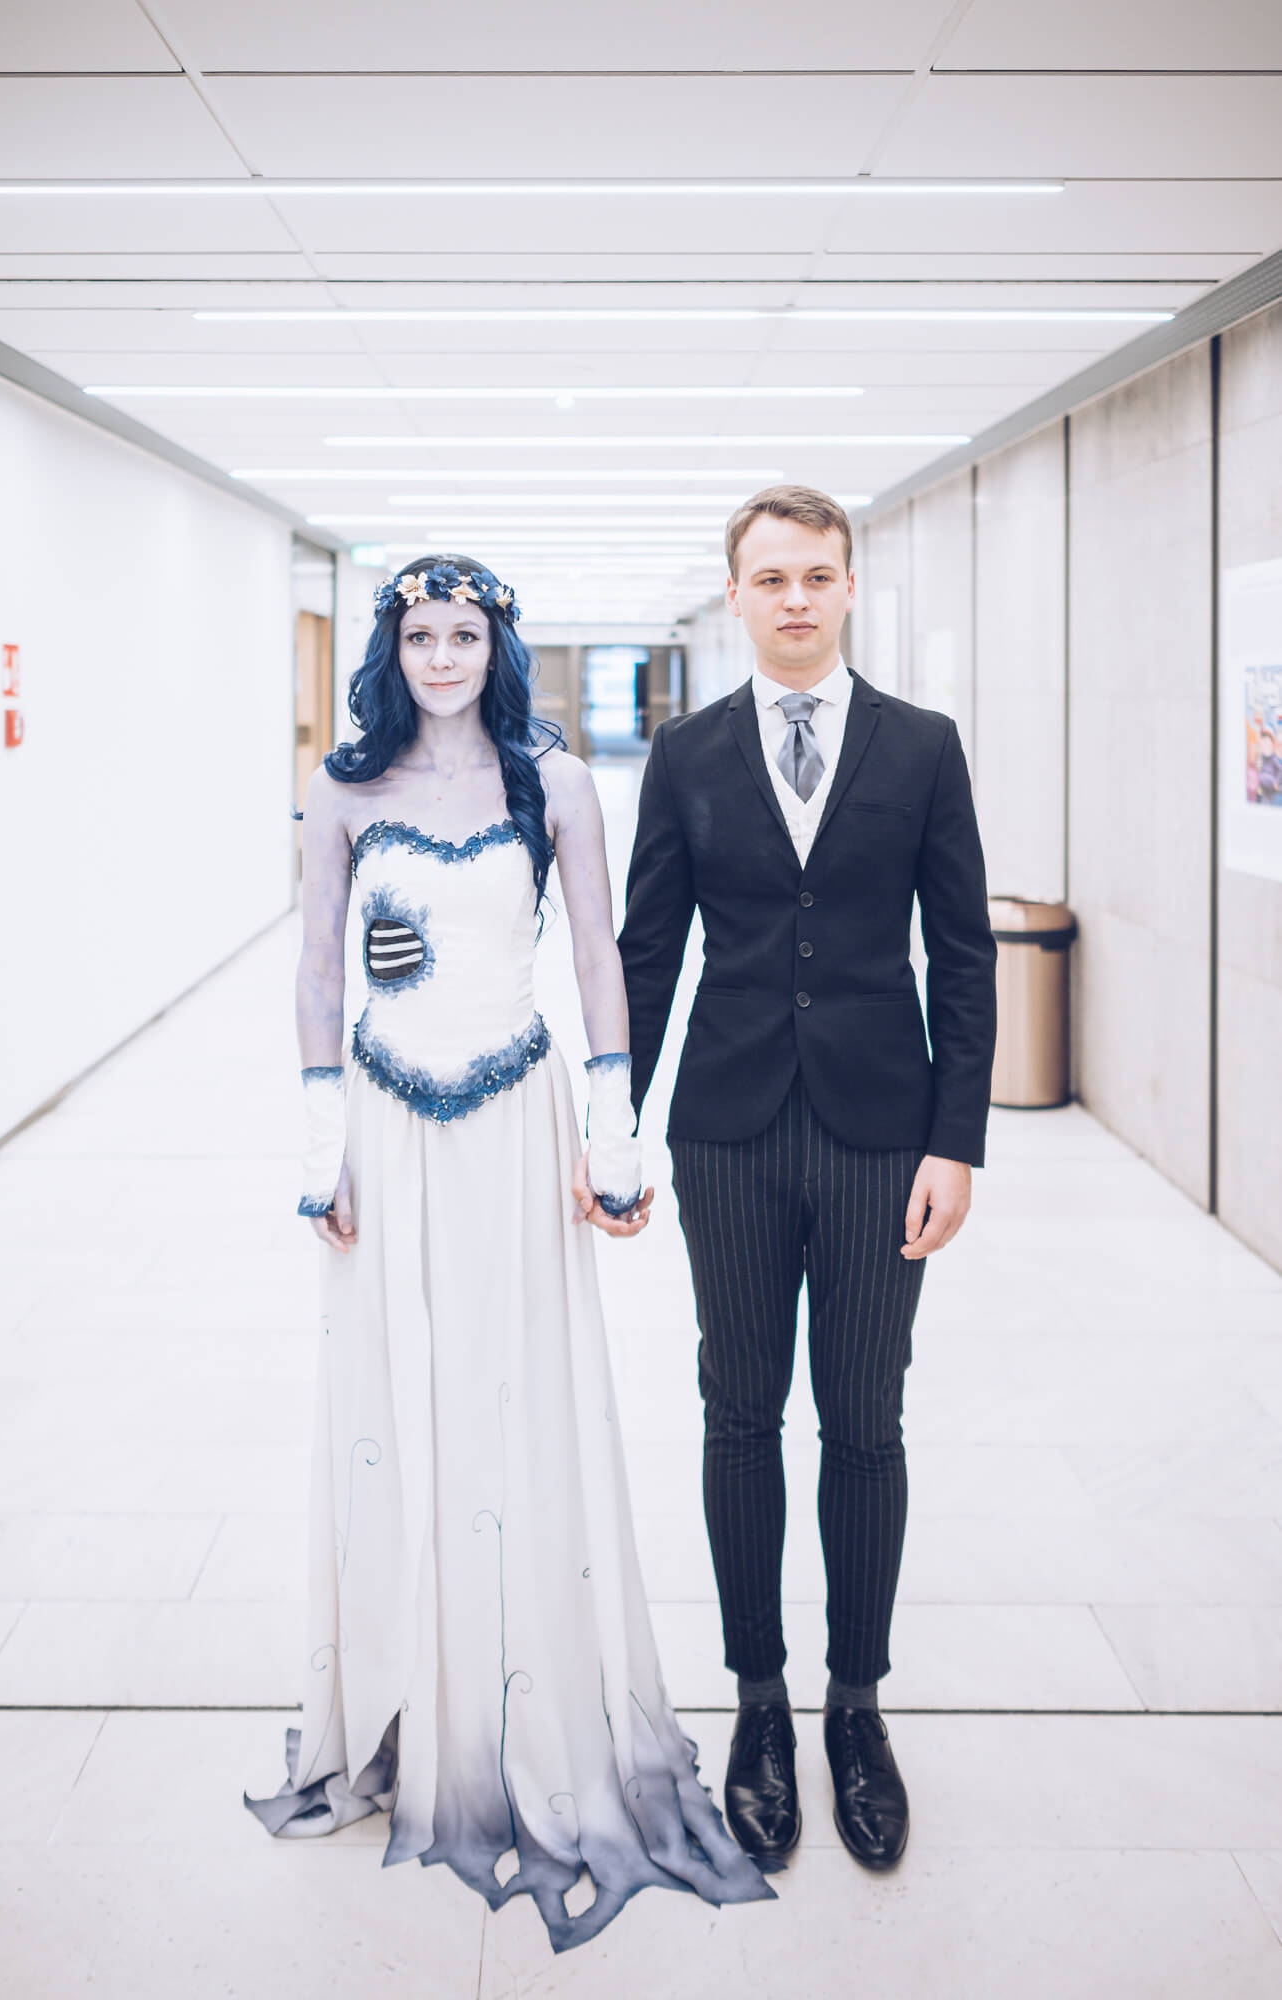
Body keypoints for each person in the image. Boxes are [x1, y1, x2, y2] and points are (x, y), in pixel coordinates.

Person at [246, 555, 770, 1953]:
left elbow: (599, 959)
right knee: (398, 1403)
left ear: (497, 645)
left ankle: (523, 1698)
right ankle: (413, 1704)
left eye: (463, 634)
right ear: (392, 647)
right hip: (386, 1123)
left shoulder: (557, 783)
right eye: (419, 634)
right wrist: (321, 1143)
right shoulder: (344, 789)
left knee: (516, 1396)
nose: (441, 656)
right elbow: (316, 968)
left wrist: (614, 1130)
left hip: (516, 1121)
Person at [617, 487, 997, 1873]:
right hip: (725, 1130)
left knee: (864, 1422)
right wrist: (612, 1124)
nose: (794, 599)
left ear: (847, 586)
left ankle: (856, 1706)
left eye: (816, 576)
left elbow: (964, 952)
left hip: (880, 1133)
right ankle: (760, 1703)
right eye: (770, 577)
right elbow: (647, 952)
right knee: (737, 1417)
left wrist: (956, 1141)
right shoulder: (687, 754)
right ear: (735, 594)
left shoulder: (922, 746)